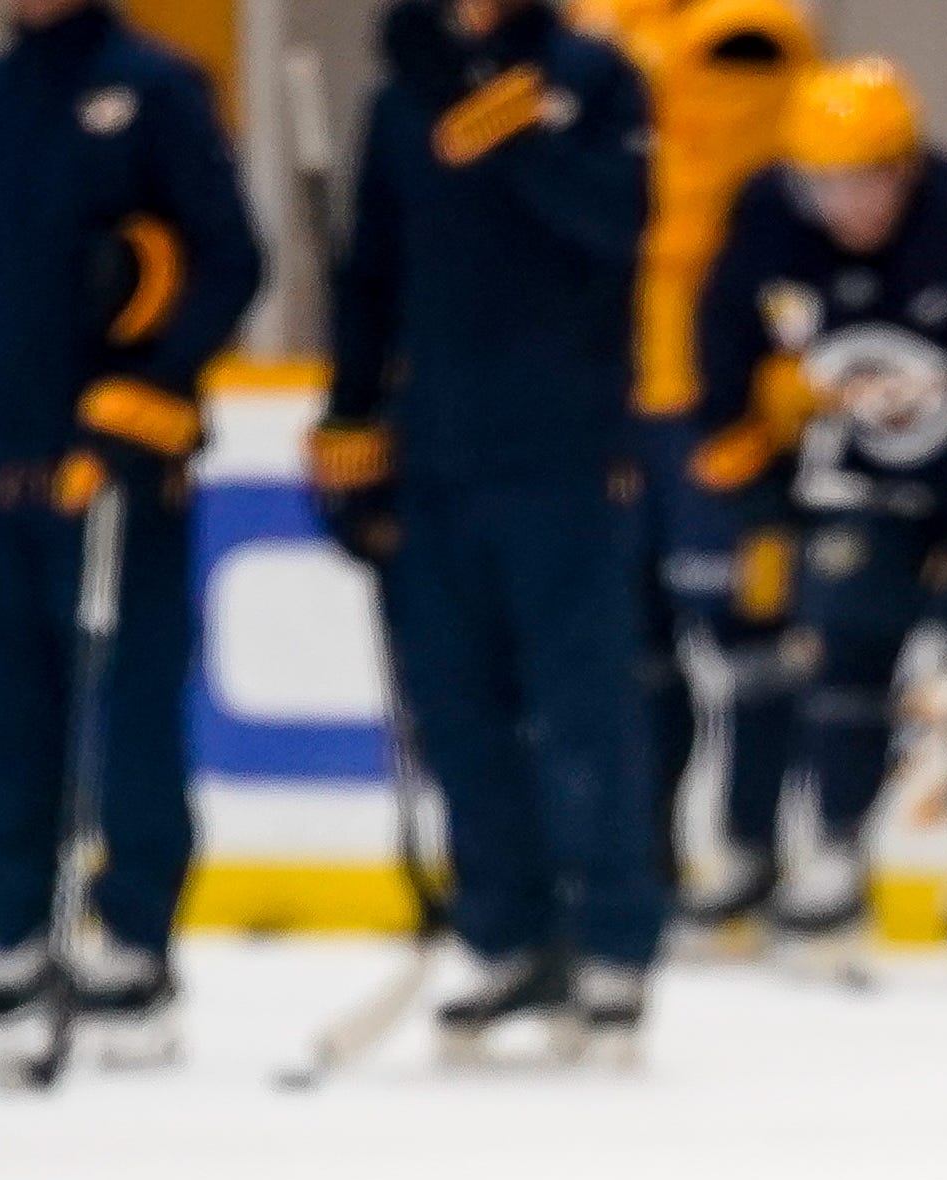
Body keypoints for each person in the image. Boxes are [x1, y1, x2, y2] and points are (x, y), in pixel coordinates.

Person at [0, 0, 262, 1070]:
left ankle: (134, 940)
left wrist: (152, 393)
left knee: (128, 708)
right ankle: (24, 932)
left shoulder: (155, 88)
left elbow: (231, 258)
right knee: (5, 714)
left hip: (110, 472)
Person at [314, 0, 665, 1064]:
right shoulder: (398, 92)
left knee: (581, 709)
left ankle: (611, 943)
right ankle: (508, 938)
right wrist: (350, 417)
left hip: (564, 458)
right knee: (456, 715)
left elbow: (619, 224)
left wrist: (520, 137)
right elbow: (367, 274)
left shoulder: (595, 79)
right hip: (435, 460)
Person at [691, 57, 947, 969]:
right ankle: (835, 851)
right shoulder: (769, 216)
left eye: (861, 179)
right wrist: (733, 425)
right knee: (848, 649)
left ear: (905, 166)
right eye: (821, 181)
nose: (841, 203)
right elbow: (723, 320)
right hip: (860, 483)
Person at [608, 0, 818, 941]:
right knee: (641, 652)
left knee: (747, 645)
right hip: (624, 394)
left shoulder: (753, 32)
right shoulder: (598, 35)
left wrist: (766, 390)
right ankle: (645, 857)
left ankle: (749, 852)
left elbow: (759, 217)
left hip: (716, 402)